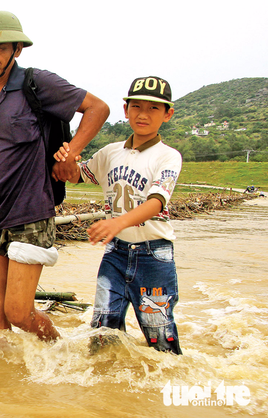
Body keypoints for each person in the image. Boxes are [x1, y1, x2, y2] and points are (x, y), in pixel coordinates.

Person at [0, 9, 109, 346]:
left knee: (19, 312)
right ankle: (3, 383)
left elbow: (98, 109)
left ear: (17, 50)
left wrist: (71, 152)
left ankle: (62, 353)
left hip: (31, 212)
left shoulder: (37, 83)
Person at [54, 76, 183, 354]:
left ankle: (164, 389)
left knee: (159, 336)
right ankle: (104, 389)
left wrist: (117, 222)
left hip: (154, 256)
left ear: (167, 114)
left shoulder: (167, 156)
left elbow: (157, 202)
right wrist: (67, 156)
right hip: (116, 253)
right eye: (136, 107)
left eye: (153, 109)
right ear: (126, 110)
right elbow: (78, 174)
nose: (143, 115)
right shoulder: (111, 152)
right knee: (102, 327)